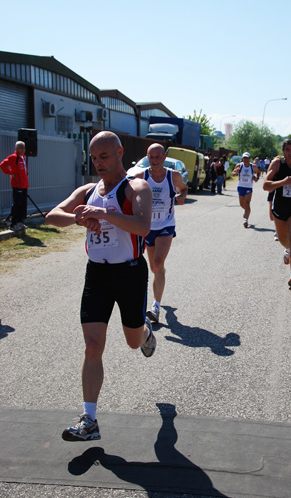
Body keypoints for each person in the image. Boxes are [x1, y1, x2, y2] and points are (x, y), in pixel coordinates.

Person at [46, 131, 155, 442]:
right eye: (94, 158)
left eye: (104, 157)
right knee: (93, 346)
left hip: (130, 274)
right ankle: (89, 419)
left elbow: (143, 225)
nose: (98, 164)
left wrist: (102, 213)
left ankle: (145, 332)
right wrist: (80, 218)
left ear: (120, 153)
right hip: (97, 275)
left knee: (133, 342)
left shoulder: (137, 187)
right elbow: (53, 216)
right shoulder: (89, 190)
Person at [133, 143, 188, 324]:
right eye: (151, 156)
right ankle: (161, 274)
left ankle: (156, 306)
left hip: (166, 225)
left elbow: (184, 188)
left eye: (158, 156)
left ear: (164, 157)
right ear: (147, 157)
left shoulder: (174, 176)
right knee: (155, 268)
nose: (154, 160)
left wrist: (182, 197)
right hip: (147, 226)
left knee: (157, 262)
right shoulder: (141, 176)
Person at [263, 138, 291, 291]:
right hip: (280, 207)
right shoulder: (277, 164)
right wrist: (282, 182)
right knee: (284, 240)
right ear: (283, 151)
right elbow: (265, 185)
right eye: (287, 150)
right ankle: (287, 250)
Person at [0, 140, 29, 231]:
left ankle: (20, 221)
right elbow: (2, 165)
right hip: (17, 185)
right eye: (21, 147)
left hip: (24, 185)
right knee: (17, 204)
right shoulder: (13, 157)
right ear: (16, 148)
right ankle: (13, 223)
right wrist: (10, 172)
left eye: (23, 147)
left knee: (22, 204)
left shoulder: (23, 157)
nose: (23, 149)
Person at [231, 152, 259, 227]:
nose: (246, 160)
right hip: (240, 186)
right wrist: (235, 172)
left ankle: (245, 220)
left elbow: (258, 172)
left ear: (249, 159)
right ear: (242, 159)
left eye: (247, 158)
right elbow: (233, 174)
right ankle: (247, 211)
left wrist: (256, 178)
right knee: (241, 204)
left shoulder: (253, 166)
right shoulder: (239, 165)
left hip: (249, 187)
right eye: (244, 158)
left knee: (247, 203)